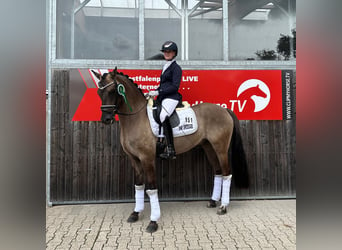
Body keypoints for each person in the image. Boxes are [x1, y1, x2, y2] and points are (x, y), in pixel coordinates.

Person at [148, 41, 182, 160]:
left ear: (174, 53)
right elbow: (163, 84)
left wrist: (159, 92)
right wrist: (153, 92)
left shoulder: (176, 68)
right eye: (165, 52)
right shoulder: (165, 66)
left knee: (163, 116)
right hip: (163, 97)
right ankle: (160, 141)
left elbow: (174, 86)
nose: (166, 54)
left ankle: (171, 149)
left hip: (172, 97)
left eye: (169, 52)